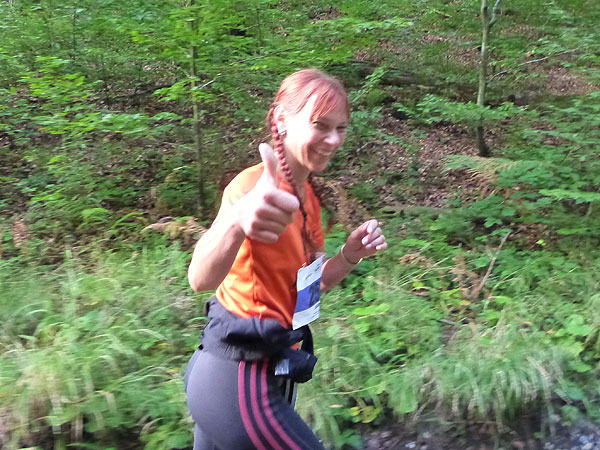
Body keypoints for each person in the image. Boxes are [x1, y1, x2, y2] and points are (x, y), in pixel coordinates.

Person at [184, 68, 387, 450]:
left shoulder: (308, 199)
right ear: (281, 120)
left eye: (341, 128)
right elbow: (199, 278)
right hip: (237, 378)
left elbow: (312, 288)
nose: (333, 139)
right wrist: (238, 223)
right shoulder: (252, 188)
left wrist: (349, 255)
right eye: (320, 125)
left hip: (271, 369)